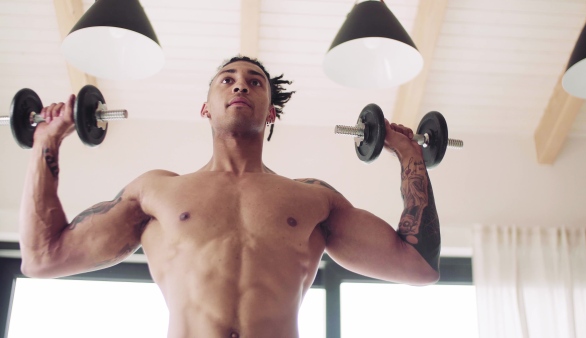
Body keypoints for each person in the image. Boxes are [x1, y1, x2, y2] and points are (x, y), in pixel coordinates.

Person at [19, 55, 441, 338]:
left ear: (271, 110)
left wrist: (409, 156)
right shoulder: (155, 193)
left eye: (255, 82)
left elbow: (418, 265)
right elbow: (44, 257)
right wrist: (45, 144)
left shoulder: (314, 200)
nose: (241, 86)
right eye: (228, 80)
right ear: (206, 107)